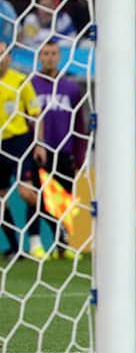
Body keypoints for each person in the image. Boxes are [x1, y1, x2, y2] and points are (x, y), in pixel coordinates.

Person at [23, 41, 84, 260]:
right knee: (35, 198)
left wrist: (79, 156)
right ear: (39, 57)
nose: (49, 57)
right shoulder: (29, 84)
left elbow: (79, 124)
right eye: (45, 53)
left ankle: (62, 244)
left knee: (62, 199)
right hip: (37, 150)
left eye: (54, 53)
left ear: (60, 57)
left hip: (64, 151)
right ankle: (35, 243)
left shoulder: (71, 87)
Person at [0, 42, 46, 261]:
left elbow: (36, 113)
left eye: (2, 54)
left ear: (9, 56)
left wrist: (38, 143)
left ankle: (35, 242)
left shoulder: (21, 81)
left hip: (18, 143)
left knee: (27, 193)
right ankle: (14, 247)